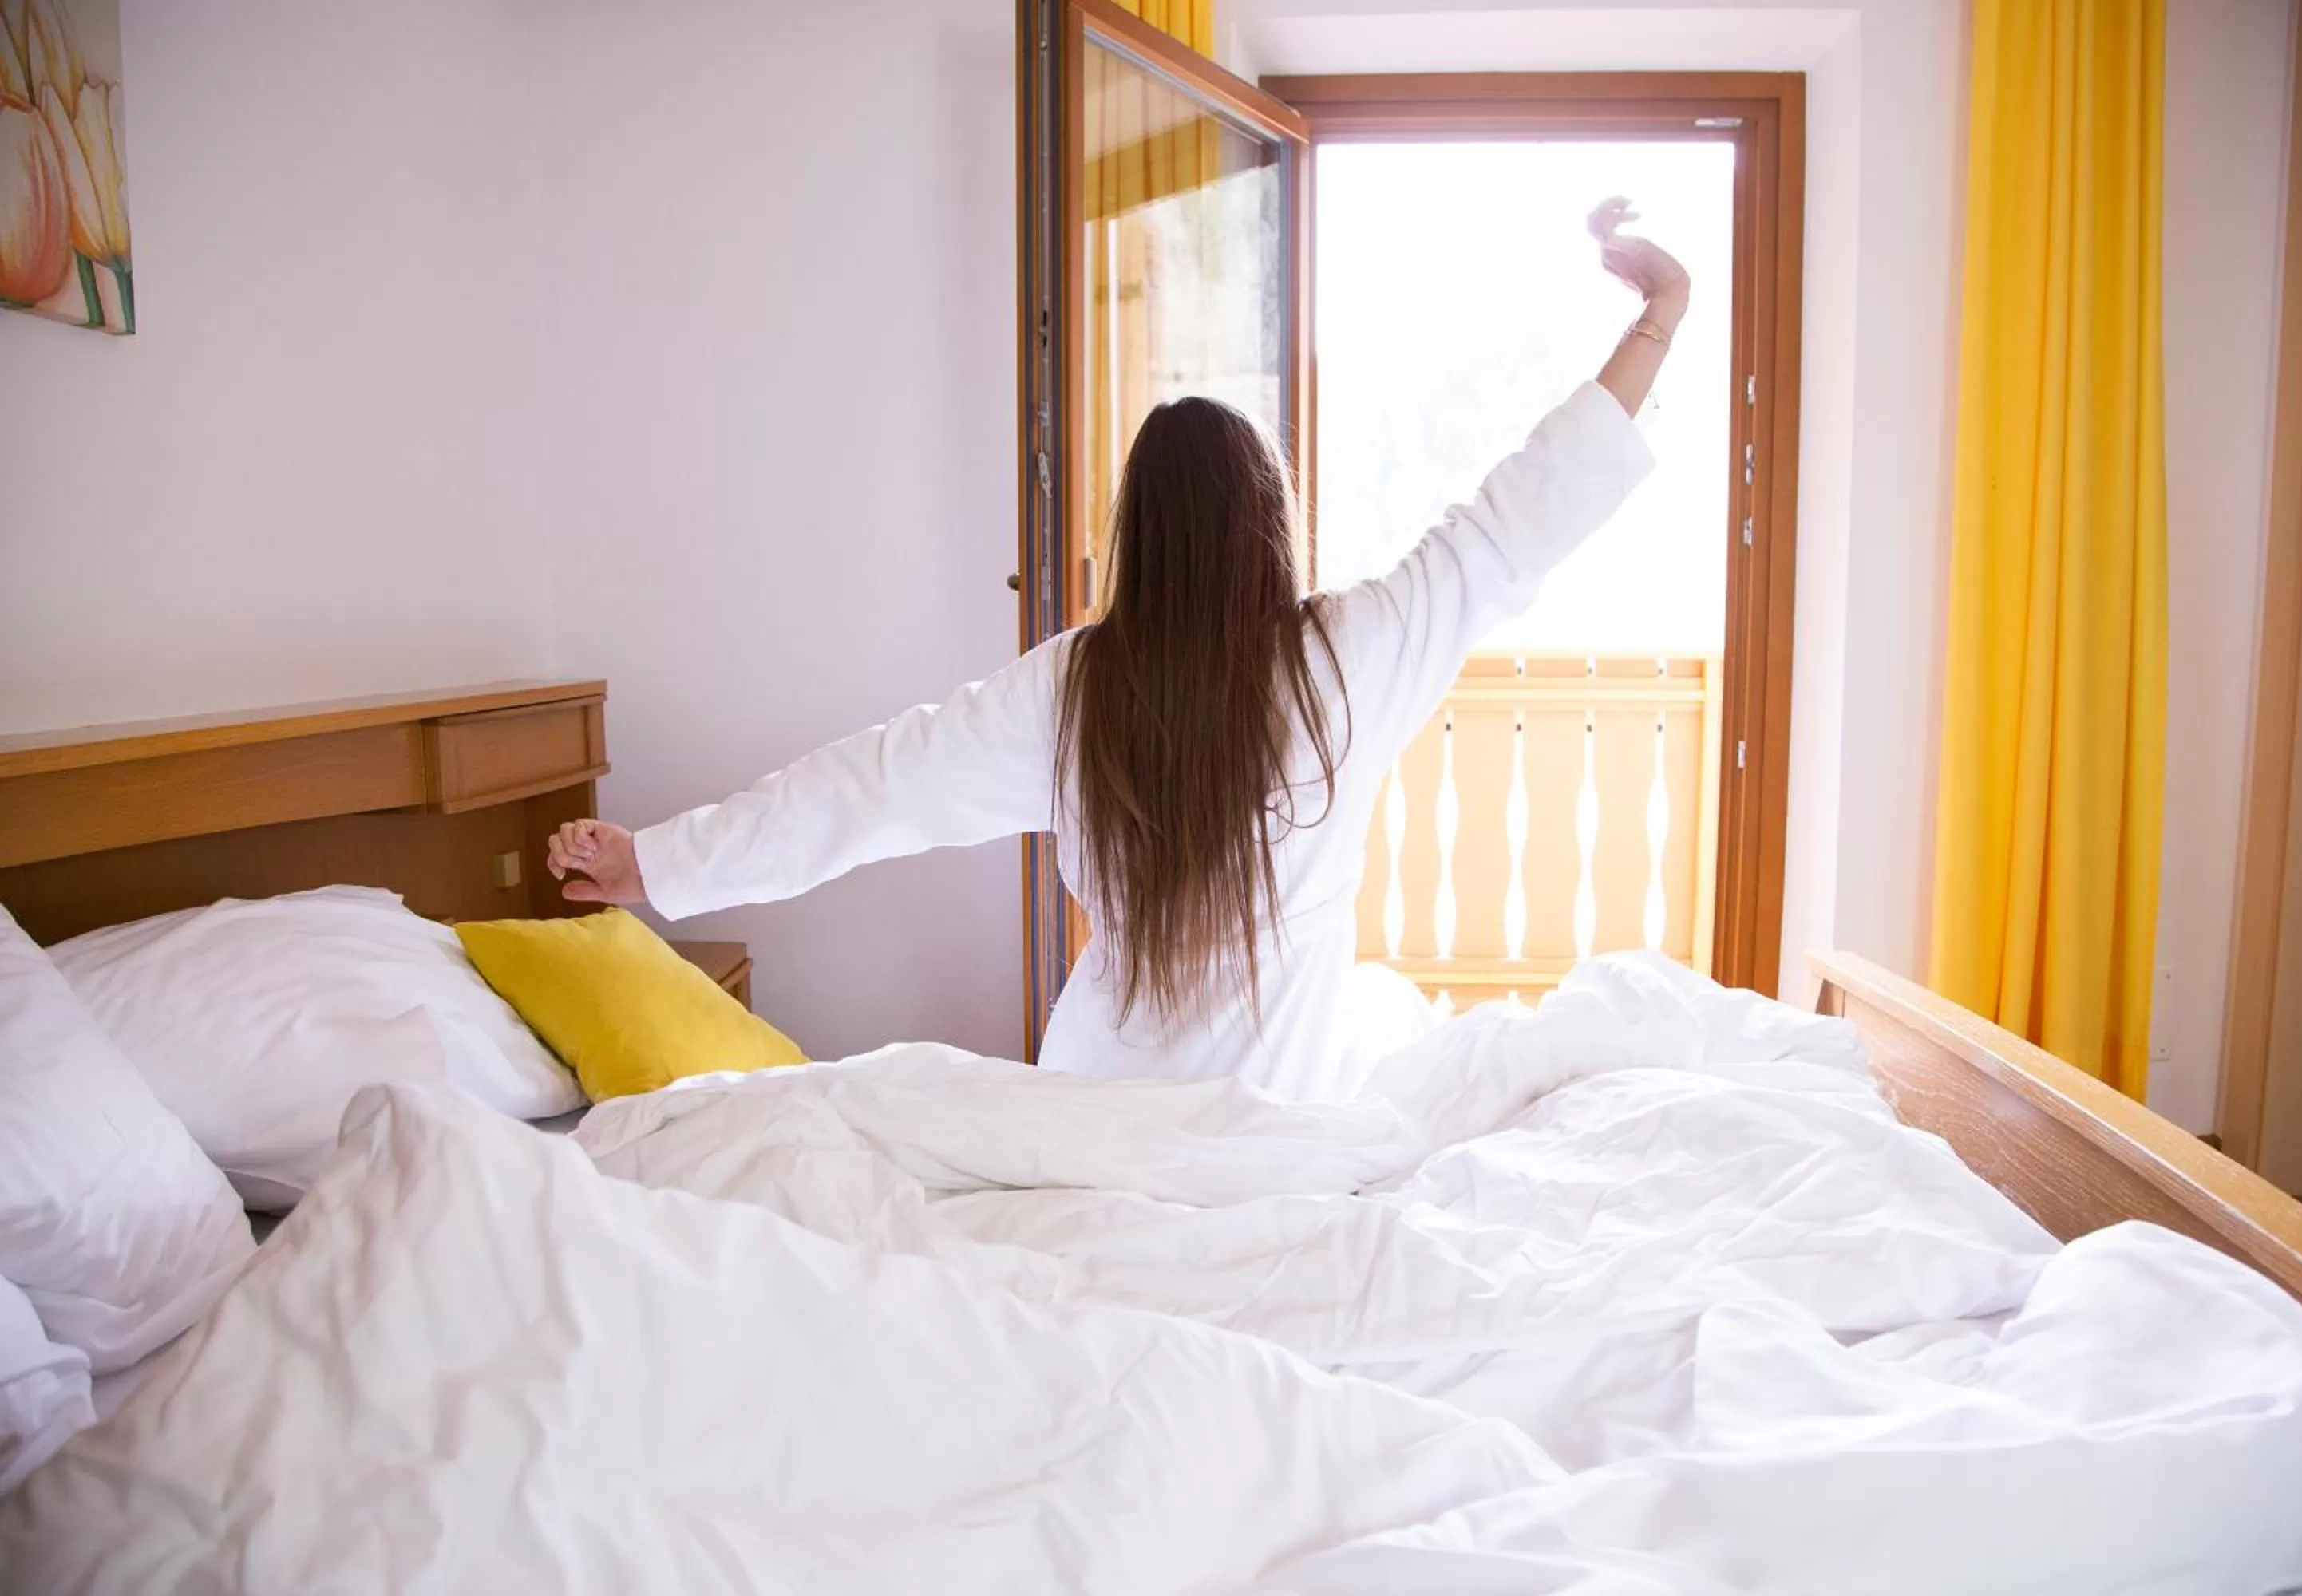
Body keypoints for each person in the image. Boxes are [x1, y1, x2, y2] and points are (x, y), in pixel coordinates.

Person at [548, 198, 1687, 1100]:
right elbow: (1517, 519)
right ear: (1269, 523)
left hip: (1101, 1121)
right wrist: (1658, 318)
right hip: (1280, 1127)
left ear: (1135, 534)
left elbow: (873, 787)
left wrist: (659, 862)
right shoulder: (1350, 655)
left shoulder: (1079, 687)